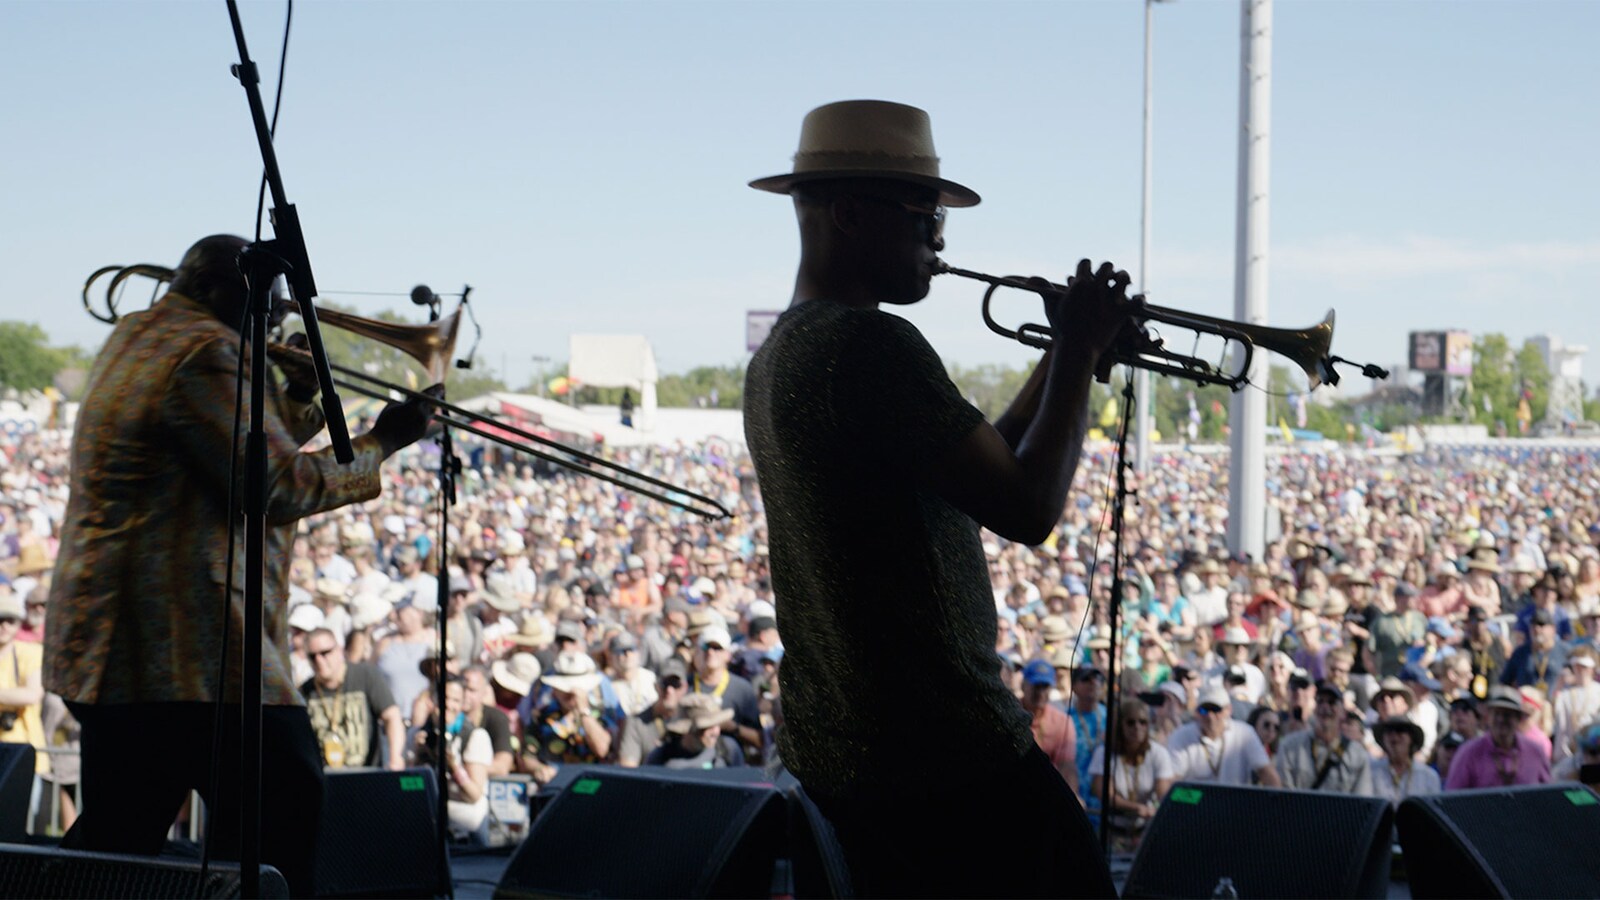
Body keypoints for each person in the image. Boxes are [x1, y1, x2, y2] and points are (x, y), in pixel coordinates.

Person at [743, 99, 1125, 897]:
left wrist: (1065, 355)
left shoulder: (784, 349)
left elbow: (984, 452)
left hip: (851, 762)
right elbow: (1027, 507)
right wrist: (1084, 346)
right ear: (850, 213)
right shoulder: (867, 344)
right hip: (948, 762)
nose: (941, 239)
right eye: (924, 214)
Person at [45, 234, 436, 895]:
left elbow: (223, 453)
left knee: (120, 837)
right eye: (273, 309)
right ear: (232, 293)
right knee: (281, 800)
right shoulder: (207, 351)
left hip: (120, 648)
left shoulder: (142, 335)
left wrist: (295, 401)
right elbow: (272, 487)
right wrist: (384, 442)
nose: (280, 322)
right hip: (189, 649)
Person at [301, 627, 406, 771]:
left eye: (325, 653)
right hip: (324, 778)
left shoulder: (365, 675)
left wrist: (395, 756)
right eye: (312, 656)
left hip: (366, 774)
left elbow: (392, 716)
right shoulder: (305, 691)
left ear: (339, 650)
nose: (319, 660)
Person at [1088, 698, 1174, 853]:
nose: (1137, 727)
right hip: (1111, 832)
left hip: (1145, 831)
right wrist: (1137, 808)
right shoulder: (1105, 753)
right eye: (1130, 722)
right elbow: (1103, 793)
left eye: (1143, 722)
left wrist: (1155, 809)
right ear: (1120, 725)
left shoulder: (1158, 753)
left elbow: (1163, 794)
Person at [1167, 685, 1281, 787]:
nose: (1210, 716)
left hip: (1235, 804)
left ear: (1228, 710)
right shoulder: (1181, 735)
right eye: (1204, 710)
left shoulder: (1244, 733)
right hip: (1194, 804)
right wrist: (1196, 799)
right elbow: (1171, 783)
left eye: (1216, 709)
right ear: (1196, 712)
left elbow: (1267, 774)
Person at [1444, 686, 1551, 789]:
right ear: (1488, 717)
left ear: (1518, 719)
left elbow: (1548, 795)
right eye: (1496, 714)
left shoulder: (1535, 752)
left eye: (1507, 715)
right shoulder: (1468, 753)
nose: (1501, 720)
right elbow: (1453, 796)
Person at [1274, 683, 1372, 794]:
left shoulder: (1357, 754)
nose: (1325, 707)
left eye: (1331, 702)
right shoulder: (1289, 746)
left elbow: (1361, 800)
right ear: (1314, 709)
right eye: (1320, 701)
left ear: (1342, 713)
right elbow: (1284, 794)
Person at [643, 692, 746, 769]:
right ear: (687, 730)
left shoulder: (728, 749)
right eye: (707, 727)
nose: (715, 732)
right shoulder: (661, 758)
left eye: (717, 725)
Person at [1020, 659, 1078, 794]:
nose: (1040, 692)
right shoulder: (1008, 714)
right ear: (1023, 686)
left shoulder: (1062, 722)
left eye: (1045, 686)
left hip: (1048, 790)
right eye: (1036, 686)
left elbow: (1067, 766)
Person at [1370, 717, 1440, 808]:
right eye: (1389, 731)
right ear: (1383, 739)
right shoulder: (1371, 771)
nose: (1394, 736)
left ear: (1411, 739)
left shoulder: (1428, 776)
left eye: (1400, 730)